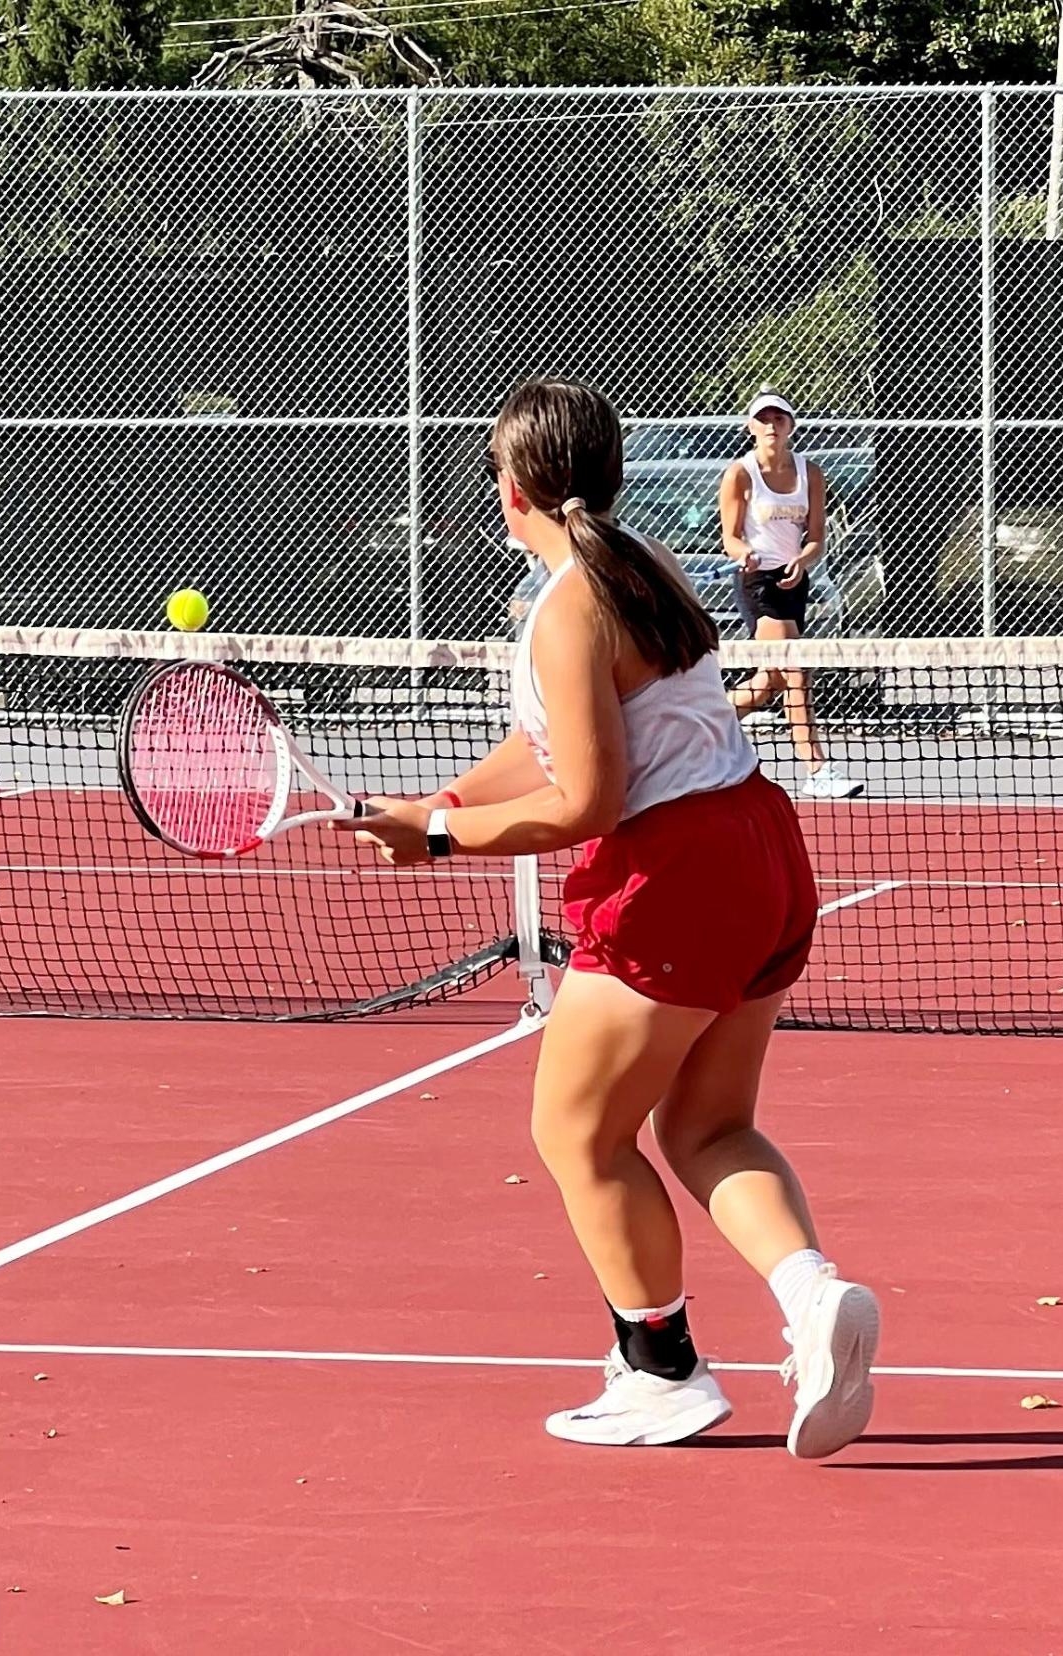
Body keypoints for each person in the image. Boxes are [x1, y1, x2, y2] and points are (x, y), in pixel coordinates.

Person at [334, 379, 879, 1455]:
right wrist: (439, 804)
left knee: (577, 1132)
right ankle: (815, 1298)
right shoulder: (641, 567)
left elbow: (585, 800)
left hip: (677, 874)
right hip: (760, 845)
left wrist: (437, 846)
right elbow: (560, 749)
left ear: (516, 486)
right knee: (706, 1127)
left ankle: (662, 1370)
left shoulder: (564, 610)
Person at [721, 389, 862, 801]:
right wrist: (745, 552)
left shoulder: (811, 473)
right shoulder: (739, 474)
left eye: (778, 419)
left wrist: (803, 559)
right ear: (751, 427)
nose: (770, 426)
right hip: (757, 583)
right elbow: (729, 537)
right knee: (796, 672)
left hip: (794, 582)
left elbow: (815, 537)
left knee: (768, 683)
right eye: (762, 419)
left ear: (790, 426)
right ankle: (817, 768)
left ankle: (702, 726)